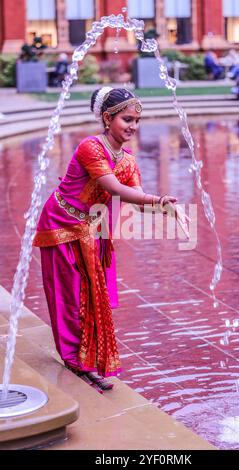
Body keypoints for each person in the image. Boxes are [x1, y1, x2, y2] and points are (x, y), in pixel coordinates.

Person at [33, 87, 186, 392]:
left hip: (90, 230)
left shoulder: (127, 160)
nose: (133, 126)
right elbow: (115, 189)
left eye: (136, 121)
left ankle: (88, 362)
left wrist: (166, 208)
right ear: (107, 118)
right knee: (70, 297)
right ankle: (75, 362)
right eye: (127, 119)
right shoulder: (91, 147)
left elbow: (138, 198)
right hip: (61, 224)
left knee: (92, 297)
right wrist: (157, 199)